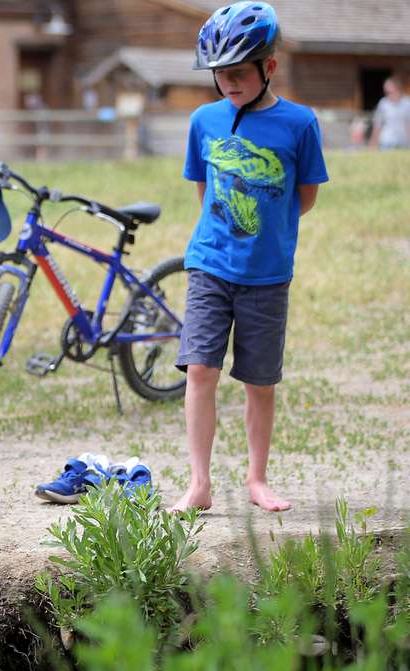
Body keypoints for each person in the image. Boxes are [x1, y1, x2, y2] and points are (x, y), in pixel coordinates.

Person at [172, 1, 328, 514]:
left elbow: (304, 196)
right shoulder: (203, 121)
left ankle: (257, 479)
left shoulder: (300, 124)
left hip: (267, 276)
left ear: (270, 68)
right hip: (209, 267)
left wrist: (269, 233)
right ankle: (199, 484)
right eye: (220, 75)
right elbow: (204, 189)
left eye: (239, 73)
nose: (229, 83)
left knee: (260, 382)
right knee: (199, 371)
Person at [370, 76, 410, 150]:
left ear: (398, 88)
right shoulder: (383, 103)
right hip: (387, 141)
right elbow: (378, 125)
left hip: (403, 142)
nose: (388, 94)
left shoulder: (407, 103)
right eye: (386, 92)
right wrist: (373, 144)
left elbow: (408, 124)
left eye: (390, 91)